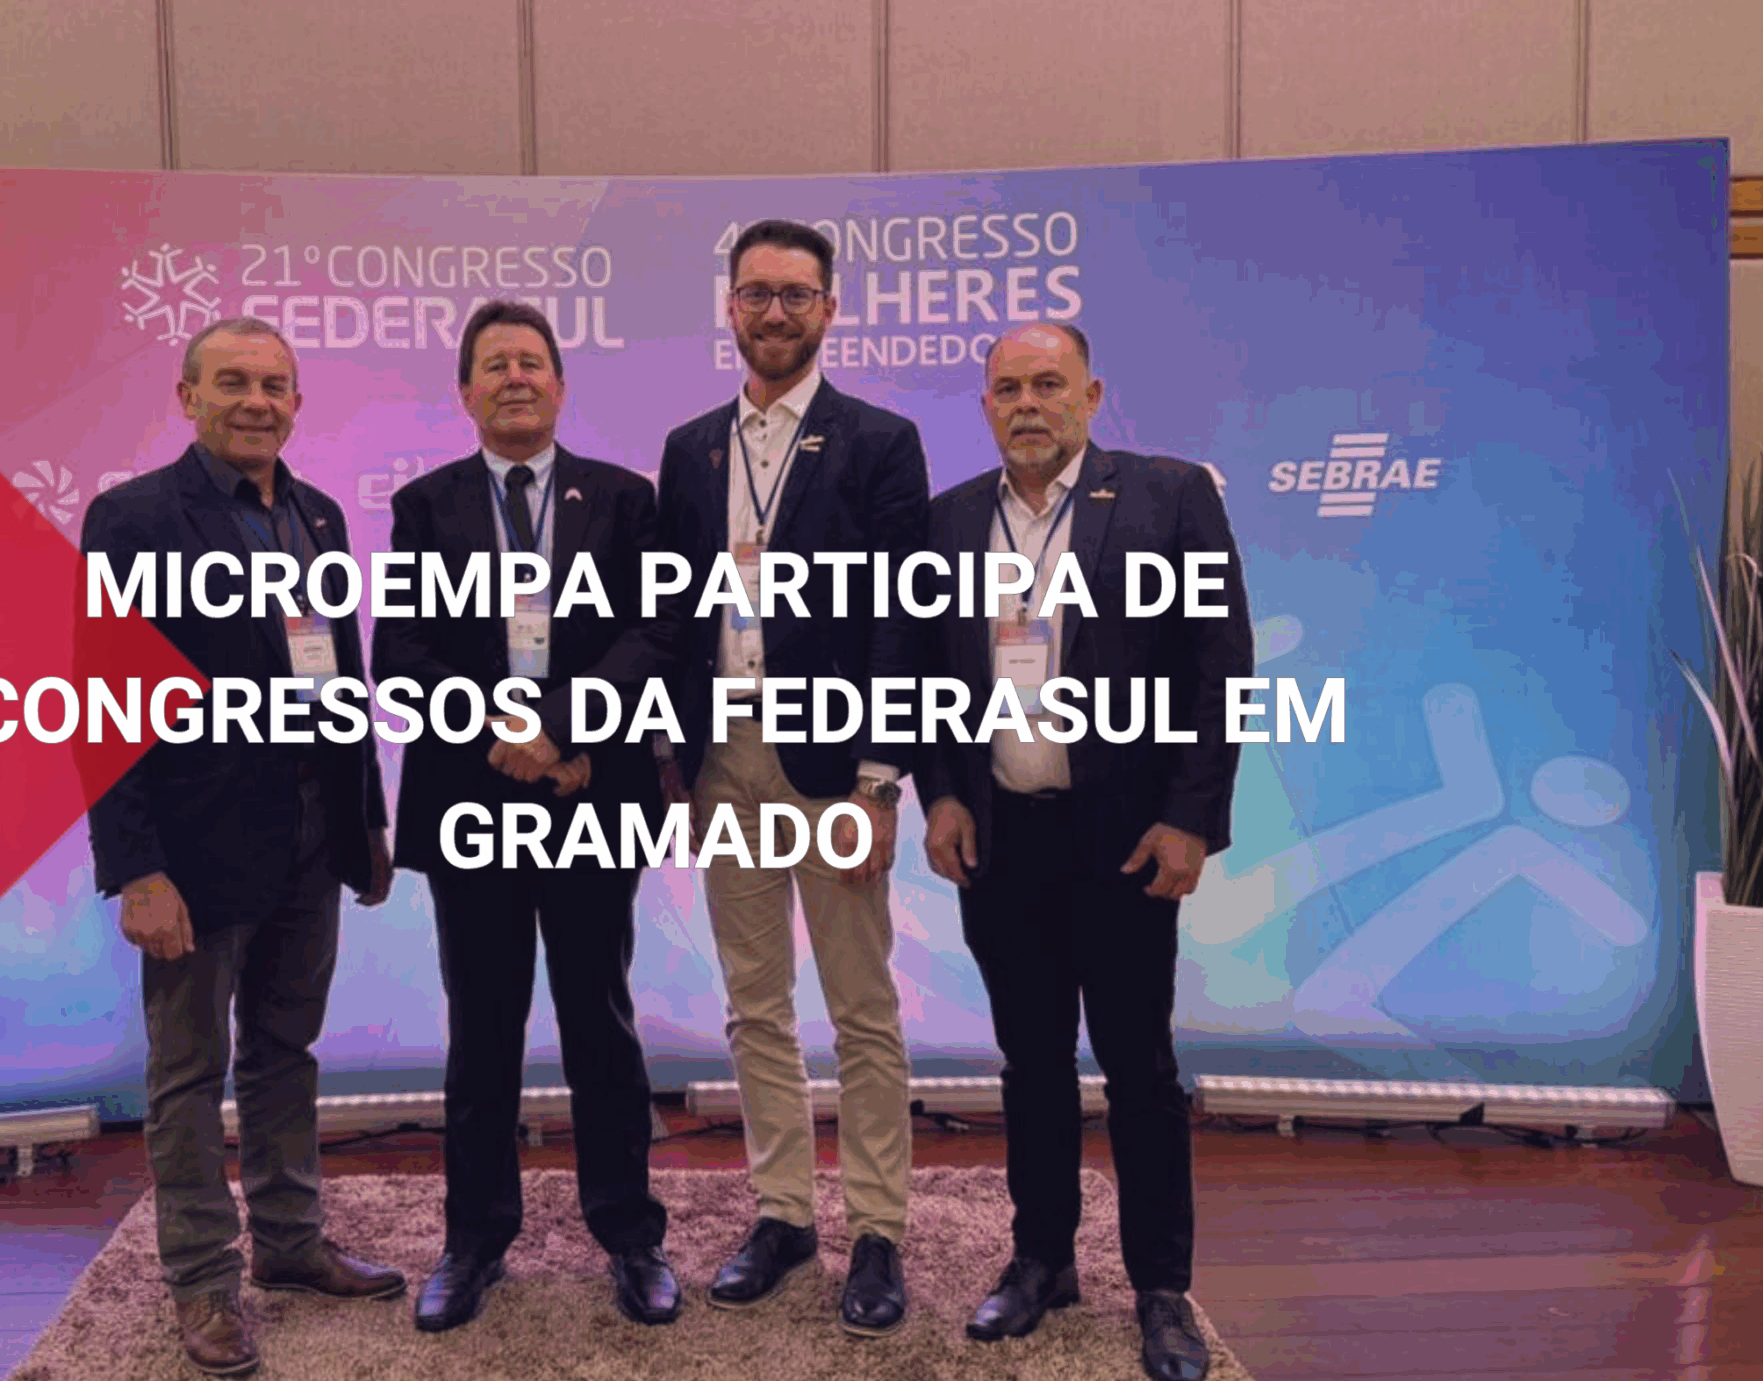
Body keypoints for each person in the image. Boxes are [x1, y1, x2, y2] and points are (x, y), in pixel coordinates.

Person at [917, 321, 1251, 1380]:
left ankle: (1161, 1287)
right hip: (1002, 836)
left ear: (1091, 395)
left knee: (1139, 1067)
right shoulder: (948, 520)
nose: (1028, 403)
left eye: (1048, 384)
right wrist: (941, 794)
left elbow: (1220, 665)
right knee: (1030, 1064)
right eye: (1008, 387)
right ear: (985, 405)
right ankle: (1042, 1260)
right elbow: (927, 678)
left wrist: (1192, 816)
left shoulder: (1168, 496)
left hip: (1126, 839)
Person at [79, 317, 406, 1379]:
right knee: (188, 1072)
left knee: (284, 1051)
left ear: (296, 404)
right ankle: (202, 1280)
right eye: (232, 382)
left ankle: (291, 1243)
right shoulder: (134, 519)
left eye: (274, 384)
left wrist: (365, 820)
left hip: (312, 831)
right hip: (195, 846)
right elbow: (105, 700)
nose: (256, 401)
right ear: (188, 397)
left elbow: (339, 679)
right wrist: (137, 868)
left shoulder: (315, 514)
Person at [372, 301, 681, 1332]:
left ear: (559, 384)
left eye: (532, 361)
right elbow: (402, 653)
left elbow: (654, 631)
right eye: (495, 363)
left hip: (588, 789)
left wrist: (563, 728)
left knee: (601, 1018)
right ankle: (474, 1240)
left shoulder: (625, 499)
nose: (515, 376)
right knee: (482, 1025)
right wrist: (503, 733)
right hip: (472, 795)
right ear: (465, 390)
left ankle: (630, 1234)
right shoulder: (425, 506)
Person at [652, 219, 931, 1336]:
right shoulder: (688, 449)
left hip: (834, 765)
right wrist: (670, 759)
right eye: (757, 292)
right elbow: (671, 612)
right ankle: (781, 1213)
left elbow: (902, 617)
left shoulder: (880, 442)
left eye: (797, 294)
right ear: (729, 306)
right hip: (723, 757)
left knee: (862, 1006)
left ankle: (877, 1227)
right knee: (754, 1005)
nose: (775, 312)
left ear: (829, 309)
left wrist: (879, 781)